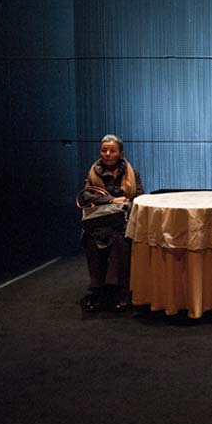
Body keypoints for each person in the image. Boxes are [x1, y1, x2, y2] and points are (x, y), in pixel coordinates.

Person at [78, 134, 144, 313]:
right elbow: (85, 196)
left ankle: (119, 289)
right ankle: (97, 289)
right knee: (92, 240)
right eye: (104, 150)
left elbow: (139, 198)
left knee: (121, 240)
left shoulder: (132, 173)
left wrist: (126, 205)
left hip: (122, 223)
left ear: (120, 154)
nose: (106, 154)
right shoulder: (94, 172)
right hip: (99, 224)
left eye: (111, 151)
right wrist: (111, 200)